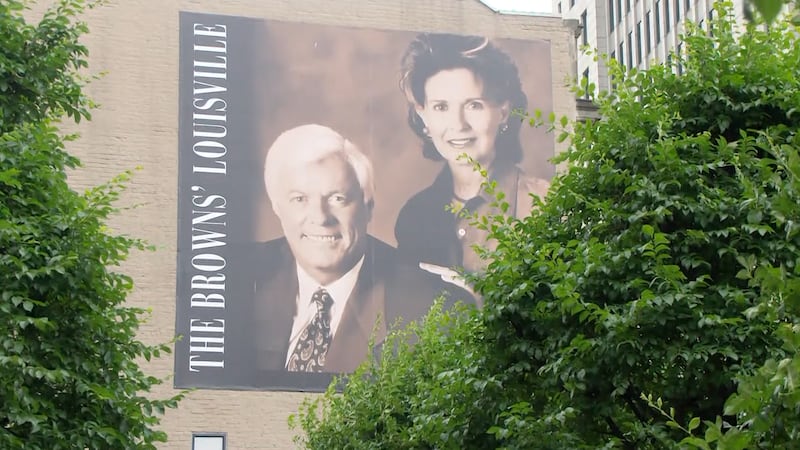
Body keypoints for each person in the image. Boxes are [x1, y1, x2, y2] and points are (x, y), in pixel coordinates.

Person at [239, 124, 471, 382]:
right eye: (299, 199)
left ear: (368, 206)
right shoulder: (236, 277)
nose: (320, 217)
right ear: (276, 205)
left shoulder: (434, 311)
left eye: (337, 198)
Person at [394, 33, 550, 298]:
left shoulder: (544, 202)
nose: (458, 124)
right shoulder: (414, 215)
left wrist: (480, 299)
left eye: (474, 105)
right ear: (423, 116)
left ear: (502, 112)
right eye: (441, 106)